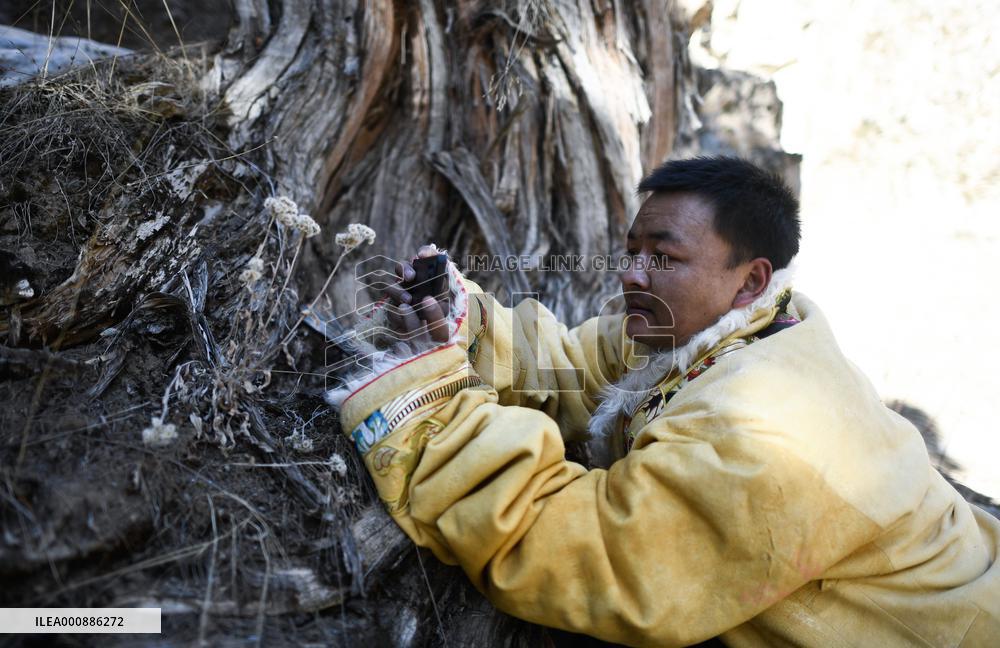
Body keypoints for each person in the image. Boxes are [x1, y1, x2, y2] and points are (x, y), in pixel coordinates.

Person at [327, 156, 1000, 647]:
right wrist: (463, 324)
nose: (630, 274)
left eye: (664, 257)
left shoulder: (763, 429)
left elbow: (603, 558)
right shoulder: (730, 327)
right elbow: (581, 367)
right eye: (632, 251)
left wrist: (433, 405)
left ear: (750, 279)